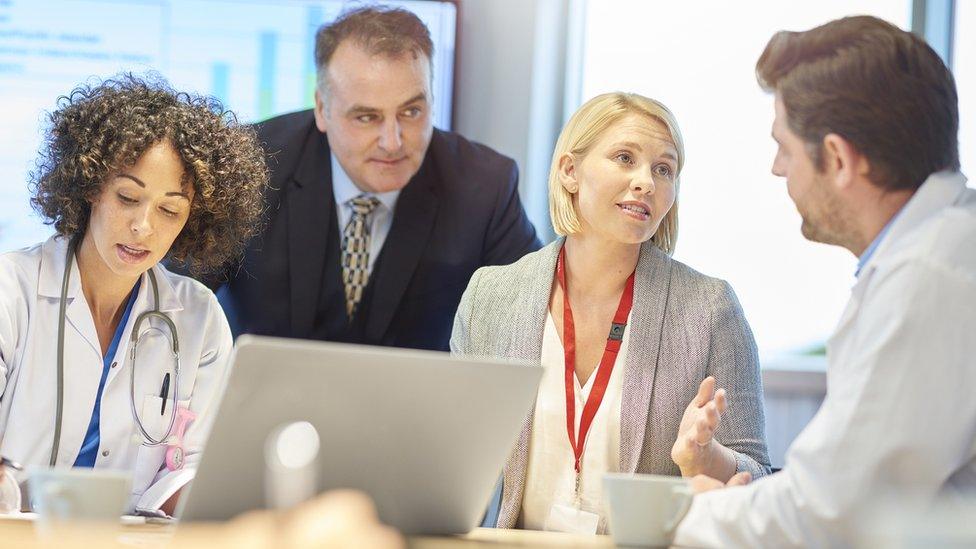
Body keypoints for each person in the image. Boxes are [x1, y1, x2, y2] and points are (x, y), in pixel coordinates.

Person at [673, 16, 976, 547]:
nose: (776, 168)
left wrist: (693, 516)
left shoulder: (930, 276)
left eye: (784, 147)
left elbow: (832, 513)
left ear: (836, 158)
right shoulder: (939, 252)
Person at [451, 92, 769, 533]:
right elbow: (453, 459)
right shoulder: (490, 296)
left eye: (664, 169)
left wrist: (704, 458)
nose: (647, 182)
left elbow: (758, 480)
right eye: (625, 158)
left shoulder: (709, 308)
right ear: (569, 172)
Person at [0, 75, 267, 514]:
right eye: (128, 197)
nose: (144, 227)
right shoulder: (12, 292)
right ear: (90, 187)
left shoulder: (198, 316)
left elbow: (191, 466)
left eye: (169, 209)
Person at [210, 6, 541, 351]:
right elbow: (173, 299)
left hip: (416, 403)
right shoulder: (249, 167)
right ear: (322, 109)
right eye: (367, 117)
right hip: (267, 399)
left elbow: (537, 322)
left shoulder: (485, 187)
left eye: (412, 112)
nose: (393, 141)